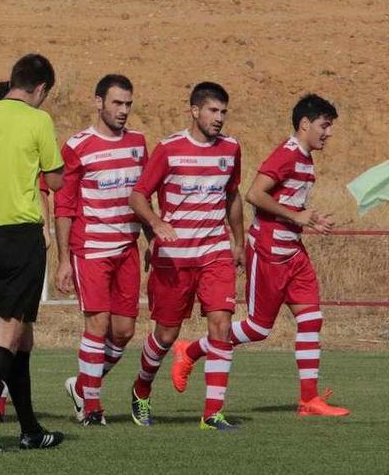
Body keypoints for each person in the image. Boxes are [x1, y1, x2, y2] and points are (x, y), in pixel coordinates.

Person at [171, 94, 349, 417]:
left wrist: (308, 218)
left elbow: (291, 206)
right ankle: (190, 350)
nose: (329, 133)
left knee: (311, 319)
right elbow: (254, 194)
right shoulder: (287, 154)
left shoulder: (307, 158)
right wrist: (296, 217)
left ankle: (308, 400)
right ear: (305, 124)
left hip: (293, 253)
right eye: (325, 125)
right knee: (257, 329)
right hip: (268, 253)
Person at [0, 54, 65, 452]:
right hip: (20, 237)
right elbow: (54, 179)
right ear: (40, 89)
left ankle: (31, 430)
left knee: (22, 338)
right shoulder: (38, 120)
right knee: (6, 334)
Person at [128, 82, 244, 431]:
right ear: (194, 110)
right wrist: (155, 222)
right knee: (165, 335)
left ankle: (212, 414)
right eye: (212, 111)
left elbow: (232, 196)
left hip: (214, 252)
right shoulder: (168, 149)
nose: (219, 118)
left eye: (223, 112)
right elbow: (137, 196)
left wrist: (238, 242)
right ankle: (142, 387)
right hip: (174, 257)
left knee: (221, 325)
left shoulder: (231, 149)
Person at [53, 74, 148, 426]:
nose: (123, 111)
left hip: (127, 248)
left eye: (128, 104)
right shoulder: (77, 146)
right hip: (90, 247)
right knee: (98, 322)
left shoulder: (138, 143)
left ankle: (81, 385)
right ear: (98, 103)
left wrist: (153, 240)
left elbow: (144, 196)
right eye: (116, 103)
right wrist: (63, 259)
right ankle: (91, 406)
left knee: (123, 332)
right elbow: (64, 205)